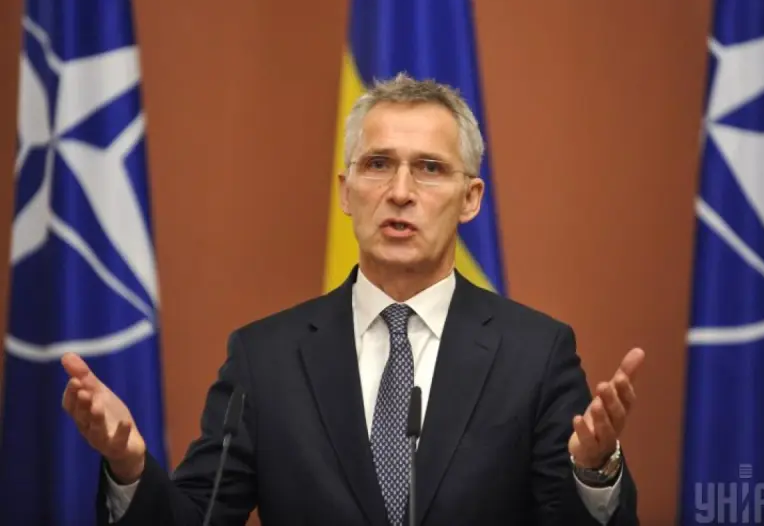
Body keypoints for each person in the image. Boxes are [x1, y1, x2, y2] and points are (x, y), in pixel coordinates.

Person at [61, 73, 644, 525]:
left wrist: (595, 473)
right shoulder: (265, 358)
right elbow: (200, 515)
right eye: (378, 164)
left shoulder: (535, 354)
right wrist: (129, 467)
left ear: (470, 199)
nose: (400, 192)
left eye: (430, 168)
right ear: (346, 191)